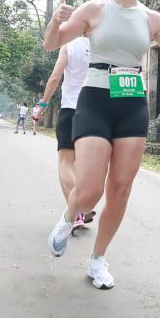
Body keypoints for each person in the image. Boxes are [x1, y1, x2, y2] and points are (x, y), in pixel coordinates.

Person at [43, 0, 160, 289]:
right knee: (89, 189)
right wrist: (56, 19)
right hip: (95, 99)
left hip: (131, 103)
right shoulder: (94, 10)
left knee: (120, 188)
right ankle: (70, 217)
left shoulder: (151, 19)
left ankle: (98, 259)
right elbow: (52, 44)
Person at [35, 18, 95, 232]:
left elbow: (55, 78)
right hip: (95, 110)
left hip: (71, 109)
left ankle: (77, 211)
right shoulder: (102, 47)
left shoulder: (68, 46)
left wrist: (43, 103)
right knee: (81, 164)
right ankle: (82, 207)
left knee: (65, 162)